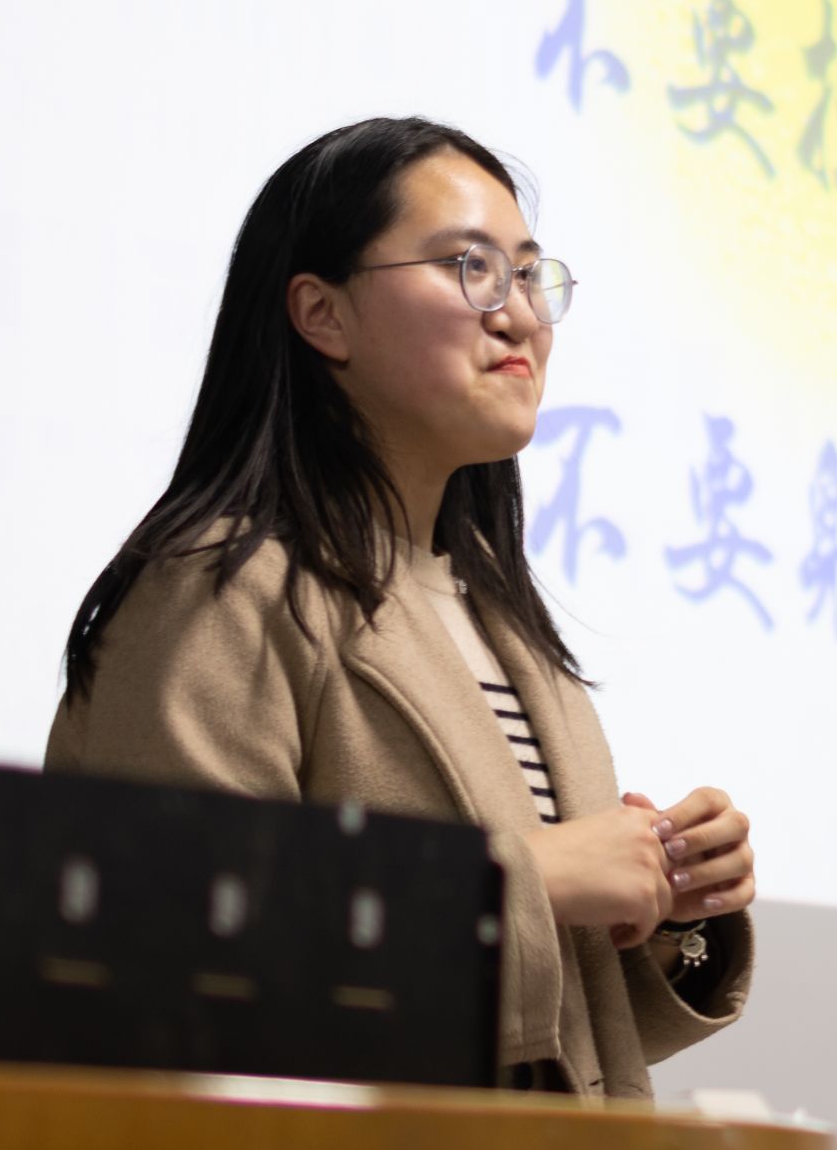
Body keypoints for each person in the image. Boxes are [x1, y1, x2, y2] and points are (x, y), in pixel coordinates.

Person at [47, 117, 754, 1097]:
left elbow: (541, 1028)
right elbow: (172, 939)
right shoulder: (221, 586)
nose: (519, 315)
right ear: (322, 314)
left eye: (528, 275)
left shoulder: (502, 620)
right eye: (471, 268)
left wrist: (668, 910)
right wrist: (532, 879)